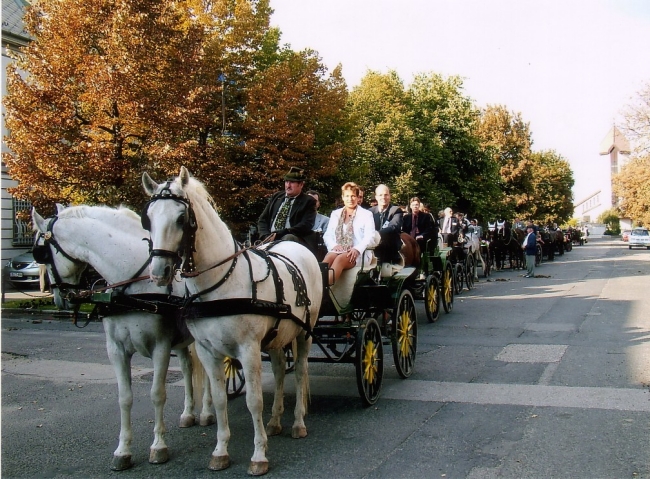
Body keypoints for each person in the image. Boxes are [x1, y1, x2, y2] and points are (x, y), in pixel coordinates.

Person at [322, 182, 376, 284]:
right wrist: (334, 245)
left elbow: (370, 237)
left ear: (358, 198)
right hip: (339, 249)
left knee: (340, 259)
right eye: (347, 196)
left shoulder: (366, 214)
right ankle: (315, 287)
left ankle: (324, 289)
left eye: (353, 196)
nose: (350, 199)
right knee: (328, 258)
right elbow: (327, 235)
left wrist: (357, 249)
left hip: (360, 253)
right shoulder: (336, 214)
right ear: (343, 197)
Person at [257, 166, 317, 249]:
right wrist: (265, 235)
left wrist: (282, 232)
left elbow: (306, 225)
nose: (288, 186)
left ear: (301, 184)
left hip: (294, 238)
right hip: (270, 237)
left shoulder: (308, 201)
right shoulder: (276, 196)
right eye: (286, 182)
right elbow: (262, 219)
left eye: (292, 182)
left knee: (287, 238)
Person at [370, 184, 403, 263]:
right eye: (380, 195)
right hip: (372, 249)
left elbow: (394, 227)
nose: (383, 197)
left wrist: (377, 234)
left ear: (389, 196)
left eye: (386, 195)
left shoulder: (396, 210)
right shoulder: (370, 212)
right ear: (376, 197)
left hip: (389, 250)